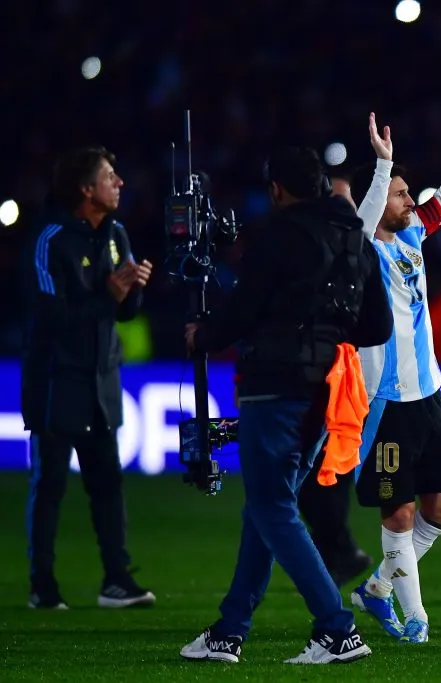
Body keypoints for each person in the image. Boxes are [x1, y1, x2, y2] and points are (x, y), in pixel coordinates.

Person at [179, 146, 393, 664]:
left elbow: (243, 310)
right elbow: (377, 326)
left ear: (276, 189)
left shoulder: (279, 235)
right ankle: (230, 630)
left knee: (271, 506)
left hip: (275, 385)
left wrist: (203, 336)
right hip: (327, 391)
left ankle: (337, 629)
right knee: (267, 507)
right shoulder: (354, 239)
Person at [345, 90, 441, 644]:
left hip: (430, 394)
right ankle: (416, 621)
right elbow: (365, 220)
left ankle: (377, 588)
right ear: (375, 198)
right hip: (386, 403)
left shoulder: (411, 233)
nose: (411, 200)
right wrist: (381, 166)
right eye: (400, 193)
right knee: (399, 515)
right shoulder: (360, 248)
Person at [19, 146, 155, 610]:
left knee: (107, 484)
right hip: (57, 380)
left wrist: (133, 290)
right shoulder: (50, 240)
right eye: (109, 176)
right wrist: (108, 296)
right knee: (50, 485)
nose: (119, 183)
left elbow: (124, 312)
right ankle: (42, 584)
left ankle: (117, 579)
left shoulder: (115, 233)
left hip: (101, 378)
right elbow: (50, 316)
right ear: (85, 189)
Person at [296, 170, 374, 589]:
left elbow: (379, 325)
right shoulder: (329, 251)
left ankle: (339, 549)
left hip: (341, 381)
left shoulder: (358, 252)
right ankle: (336, 550)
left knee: (323, 471)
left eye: (346, 201)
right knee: (316, 475)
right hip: (323, 377)